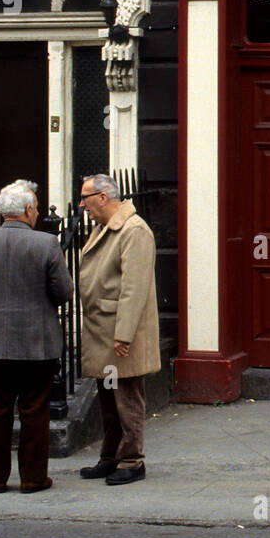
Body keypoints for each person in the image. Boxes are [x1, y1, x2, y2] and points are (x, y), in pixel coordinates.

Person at [0, 179, 73, 494]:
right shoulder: (47, 244)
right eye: (36, 208)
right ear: (28, 210)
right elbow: (64, 292)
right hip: (37, 344)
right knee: (34, 412)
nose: (38, 213)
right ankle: (32, 477)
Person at [76, 173, 160, 486]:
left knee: (126, 399)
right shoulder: (106, 227)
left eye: (85, 198)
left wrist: (123, 334)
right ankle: (110, 457)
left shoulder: (134, 230)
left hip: (118, 335)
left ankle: (132, 460)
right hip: (103, 331)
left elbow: (134, 288)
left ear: (103, 197)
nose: (82, 204)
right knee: (108, 400)